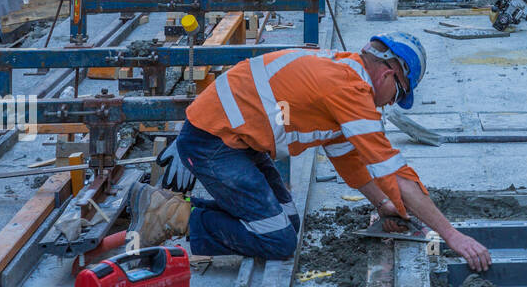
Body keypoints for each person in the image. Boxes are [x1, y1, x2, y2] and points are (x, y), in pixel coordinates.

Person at [127, 35, 492, 270]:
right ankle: (172, 214)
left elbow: (348, 157)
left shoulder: (344, 74)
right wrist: (452, 236)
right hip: (214, 141)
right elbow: (394, 173)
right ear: (388, 74)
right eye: (397, 95)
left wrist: (383, 206)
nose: (389, 105)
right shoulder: (351, 90)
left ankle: (168, 205)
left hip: (239, 140)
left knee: (288, 223)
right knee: (278, 240)